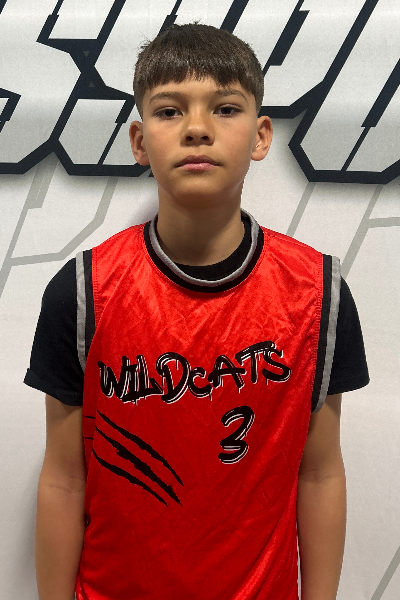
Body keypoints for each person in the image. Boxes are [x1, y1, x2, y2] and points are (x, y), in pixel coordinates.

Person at [25, 23, 369, 600]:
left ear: (261, 136)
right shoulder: (82, 292)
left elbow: (319, 472)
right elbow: (63, 480)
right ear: (139, 142)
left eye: (225, 108)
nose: (197, 128)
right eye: (169, 111)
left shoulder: (318, 293)